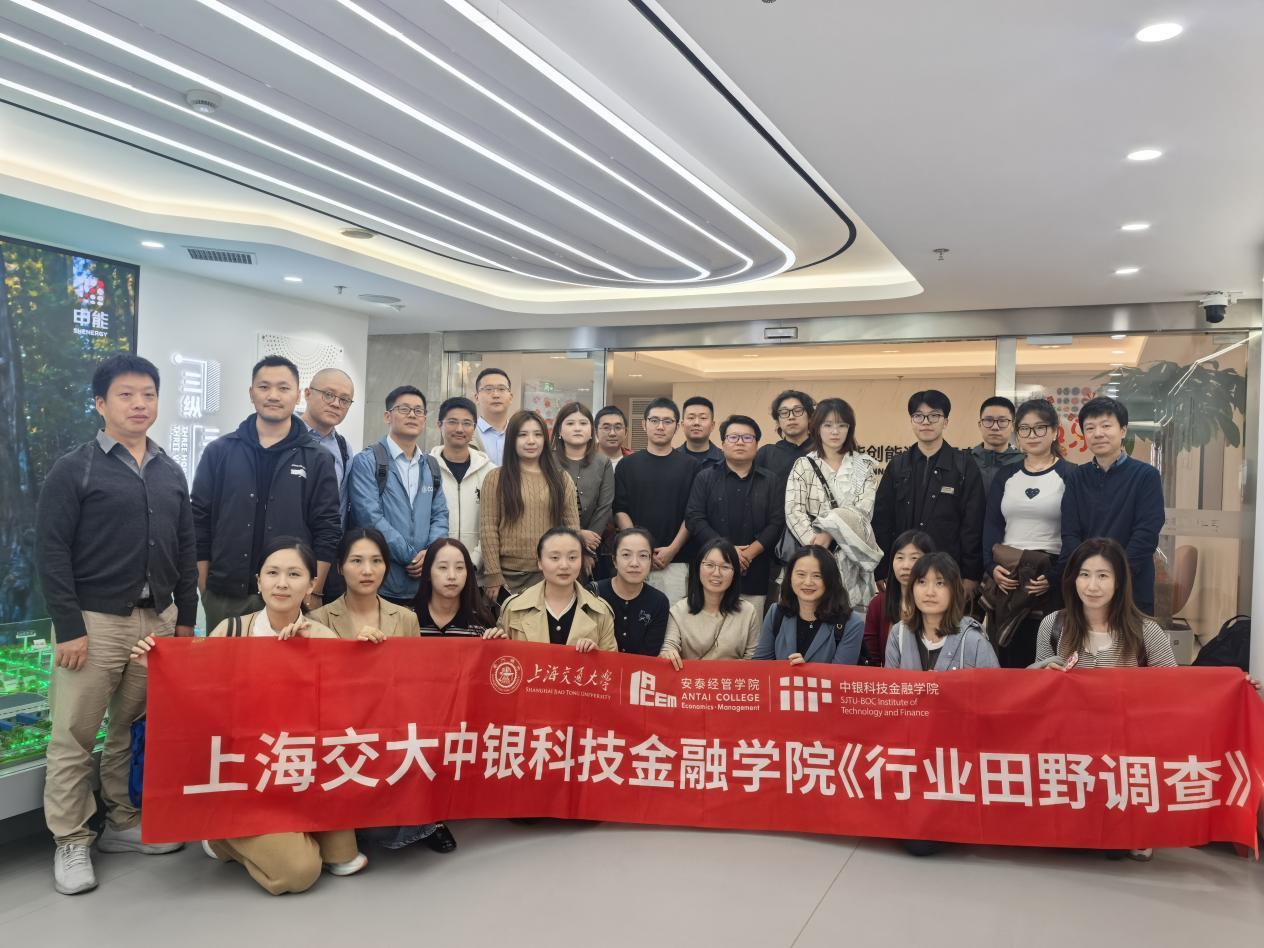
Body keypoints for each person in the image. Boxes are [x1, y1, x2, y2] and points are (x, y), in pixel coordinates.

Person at [34, 354, 195, 895]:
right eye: (126, 395)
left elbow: (186, 548)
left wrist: (185, 620)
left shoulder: (170, 470)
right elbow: (52, 552)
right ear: (101, 404)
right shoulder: (74, 468)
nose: (139, 404)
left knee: (130, 726)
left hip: (157, 621)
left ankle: (122, 822)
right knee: (75, 735)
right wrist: (69, 626)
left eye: (148, 394)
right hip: (94, 622)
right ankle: (71, 838)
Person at [132, 539, 375, 894]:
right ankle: (221, 836)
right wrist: (162, 670)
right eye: (272, 573)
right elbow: (198, 707)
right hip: (242, 779)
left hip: (298, 770)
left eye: (294, 574)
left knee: (341, 853)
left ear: (311, 585)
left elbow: (348, 715)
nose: (282, 583)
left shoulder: (324, 637)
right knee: (300, 872)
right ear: (258, 581)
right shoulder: (230, 632)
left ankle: (281, 834)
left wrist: (366, 657)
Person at [192, 355, 341, 631]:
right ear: (251, 393)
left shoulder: (317, 458)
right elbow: (198, 521)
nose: (273, 395)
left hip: (290, 596)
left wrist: (312, 590)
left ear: (298, 395)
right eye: (264, 387)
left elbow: (327, 528)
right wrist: (204, 588)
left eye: (283, 388)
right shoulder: (220, 451)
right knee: (226, 660)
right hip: (226, 595)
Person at [884, 551, 998, 858]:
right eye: (922, 582)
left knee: (923, 842)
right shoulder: (899, 634)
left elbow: (995, 701)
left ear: (955, 590)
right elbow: (889, 700)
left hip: (957, 758)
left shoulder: (973, 640)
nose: (929, 591)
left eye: (940, 583)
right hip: (911, 753)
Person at [981, 399, 1074, 668]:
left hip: (1050, 575)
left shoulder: (1070, 474)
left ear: (1054, 432)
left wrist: (1054, 577)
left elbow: (1075, 532)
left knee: (1047, 654)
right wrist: (991, 568)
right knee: (1007, 654)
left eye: (1040, 428)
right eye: (1024, 429)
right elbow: (992, 526)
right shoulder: (1006, 475)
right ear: (1017, 434)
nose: (1032, 435)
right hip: (1008, 575)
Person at [871, 390, 986, 595]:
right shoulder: (897, 465)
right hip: (903, 571)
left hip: (947, 571)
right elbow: (882, 521)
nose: (926, 422)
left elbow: (973, 525)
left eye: (934, 415)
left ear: (945, 422)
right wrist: (881, 570)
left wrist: (971, 574)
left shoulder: (964, 465)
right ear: (912, 421)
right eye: (919, 416)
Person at [1060, 396, 1164, 614]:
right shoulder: (1077, 477)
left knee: (1131, 637)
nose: (1098, 433)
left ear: (1123, 430)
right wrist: (1086, 576)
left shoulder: (1146, 476)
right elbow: (1070, 533)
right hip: (1087, 589)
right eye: (1090, 428)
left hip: (1131, 585)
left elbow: (1146, 534)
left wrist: (1115, 576)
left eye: (1106, 426)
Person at [347, 385, 448, 607]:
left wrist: (431, 553)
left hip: (424, 585)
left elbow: (440, 515)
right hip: (381, 583)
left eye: (418, 411)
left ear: (424, 419)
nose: (412, 415)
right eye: (404, 409)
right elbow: (369, 517)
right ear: (387, 416)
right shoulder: (367, 461)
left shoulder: (431, 465)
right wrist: (411, 557)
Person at [784, 397, 880, 605]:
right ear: (817, 428)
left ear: (849, 428)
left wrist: (829, 532)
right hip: (815, 556)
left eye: (841, 425)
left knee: (853, 617)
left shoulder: (863, 465)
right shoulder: (803, 464)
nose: (835, 432)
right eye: (827, 425)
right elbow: (793, 510)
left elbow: (863, 510)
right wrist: (816, 546)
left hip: (853, 556)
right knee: (813, 611)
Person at [685, 414, 783, 615]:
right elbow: (694, 518)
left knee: (751, 627)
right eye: (733, 437)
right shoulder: (705, 477)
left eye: (747, 438)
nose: (740, 442)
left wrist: (748, 554)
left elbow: (777, 522)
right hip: (712, 569)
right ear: (723, 444)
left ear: (756, 444)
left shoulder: (770, 481)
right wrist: (728, 552)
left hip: (755, 571)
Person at [480, 410, 579, 602]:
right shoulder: (495, 478)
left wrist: (572, 568)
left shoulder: (561, 479)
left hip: (552, 573)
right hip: (508, 576)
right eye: (523, 435)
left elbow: (572, 530)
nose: (531, 441)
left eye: (538, 434)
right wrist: (493, 573)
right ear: (512, 439)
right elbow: (488, 528)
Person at [1034, 537, 1177, 671]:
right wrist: (1044, 673)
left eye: (1102, 575)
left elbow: (1171, 685)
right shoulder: (1052, 625)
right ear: (1074, 579)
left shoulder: (1148, 631)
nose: (1092, 586)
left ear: (1118, 581)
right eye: (1084, 574)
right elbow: (1036, 682)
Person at [613, 398, 698, 603]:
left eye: (667, 421)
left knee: (671, 616)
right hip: (634, 559)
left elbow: (693, 514)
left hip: (676, 560)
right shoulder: (627, 465)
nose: (660, 426)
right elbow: (620, 509)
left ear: (677, 426)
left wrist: (672, 549)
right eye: (654, 420)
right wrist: (641, 549)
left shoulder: (691, 466)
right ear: (644, 424)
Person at [491, 528, 617, 651]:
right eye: (555, 558)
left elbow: (612, 662)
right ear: (540, 562)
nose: (564, 565)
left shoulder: (600, 611)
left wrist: (598, 657)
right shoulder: (514, 607)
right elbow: (502, 660)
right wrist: (495, 644)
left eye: (572, 557)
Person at [753, 546, 864, 665]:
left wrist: (807, 671)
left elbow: (842, 675)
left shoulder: (851, 623)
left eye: (817, 576)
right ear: (790, 577)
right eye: (801, 574)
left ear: (830, 579)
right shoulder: (776, 613)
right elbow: (760, 667)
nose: (808, 582)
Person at [300, 368, 356, 601]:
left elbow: (340, 509)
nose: (336, 404)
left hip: (327, 559)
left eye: (344, 400)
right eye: (328, 395)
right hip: (283, 555)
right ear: (307, 394)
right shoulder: (285, 437)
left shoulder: (344, 448)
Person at [307, 527, 421, 638]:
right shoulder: (318, 620)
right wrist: (355, 647)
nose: (367, 571)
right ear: (340, 567)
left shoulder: (406, 619)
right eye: (357, 561)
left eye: (376, 560)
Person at [661, 539, 760, 666]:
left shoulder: (748, 611)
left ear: (735, 573)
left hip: (733, 678)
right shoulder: (679, 610)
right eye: (709, 565)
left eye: (725, 567)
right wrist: (668, 653)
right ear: (698, 568)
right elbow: (668, 646)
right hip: (692, 678)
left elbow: (754, 660)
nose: (716, 573)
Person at [429, 396, 494, 575]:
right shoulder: (425, 468)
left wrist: (474, 562)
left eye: (467, 423)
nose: (459, 429)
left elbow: (495, 524)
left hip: (477, 573)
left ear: (474, 428)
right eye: (452, 422)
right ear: (439, 425)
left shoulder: (490, 472)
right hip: (435, 570)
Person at [551, 402, 614, 573]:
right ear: (559, 431)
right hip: (553, 542)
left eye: (583, 423)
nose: (577, 428)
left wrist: (587, 549)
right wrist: (577, 535)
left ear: (592, 431)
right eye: (570, 423)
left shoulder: (603, 462)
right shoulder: (547, 461)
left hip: (593, 545)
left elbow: (604, 507)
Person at [595, 527, 670, 656]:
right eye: (626, 555)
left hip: (640, 668)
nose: (634, 563)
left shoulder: (659, 602)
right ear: (614, 560)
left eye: (643, 556)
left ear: (651, 561)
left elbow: (650, 653)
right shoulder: (595, 593)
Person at [863, 530, 933, 666]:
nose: (906, 566)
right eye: (900, 557)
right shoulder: (878, 604)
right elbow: (871, 661)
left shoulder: (936, 603)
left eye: (914, 558)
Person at [412, 537, 500, 636]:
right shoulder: (410, 619)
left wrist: (497, 641)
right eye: (443, 567)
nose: (452, 576)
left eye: (459, 567)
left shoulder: (481, 623)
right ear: (428, 572)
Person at [754, 389, 817, 483]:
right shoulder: (766, 454)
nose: (791, 417)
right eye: (784, 413)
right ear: (778, 422)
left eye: (797, 411)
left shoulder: (823, 451)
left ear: (810, 417)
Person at [970, 396, 1023, 495]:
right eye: (988, 420)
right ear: (980, 425)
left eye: (1002, 421)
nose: (995, 427)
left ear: (1012, 426)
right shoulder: (966, 461)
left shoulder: (1024, 462)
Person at [470, 367, 512, 465]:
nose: (496, 395)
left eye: (502, 389)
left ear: (510, 397)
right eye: (488, 389)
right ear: (477, 398)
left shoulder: (520, 433)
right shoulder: (466, 434)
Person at [677, 395, 723, 467]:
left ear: (712, 425)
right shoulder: (672, 459)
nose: (696, 423)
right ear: (682, 425)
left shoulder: (724, 460)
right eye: (691, 418)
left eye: (703, 418)